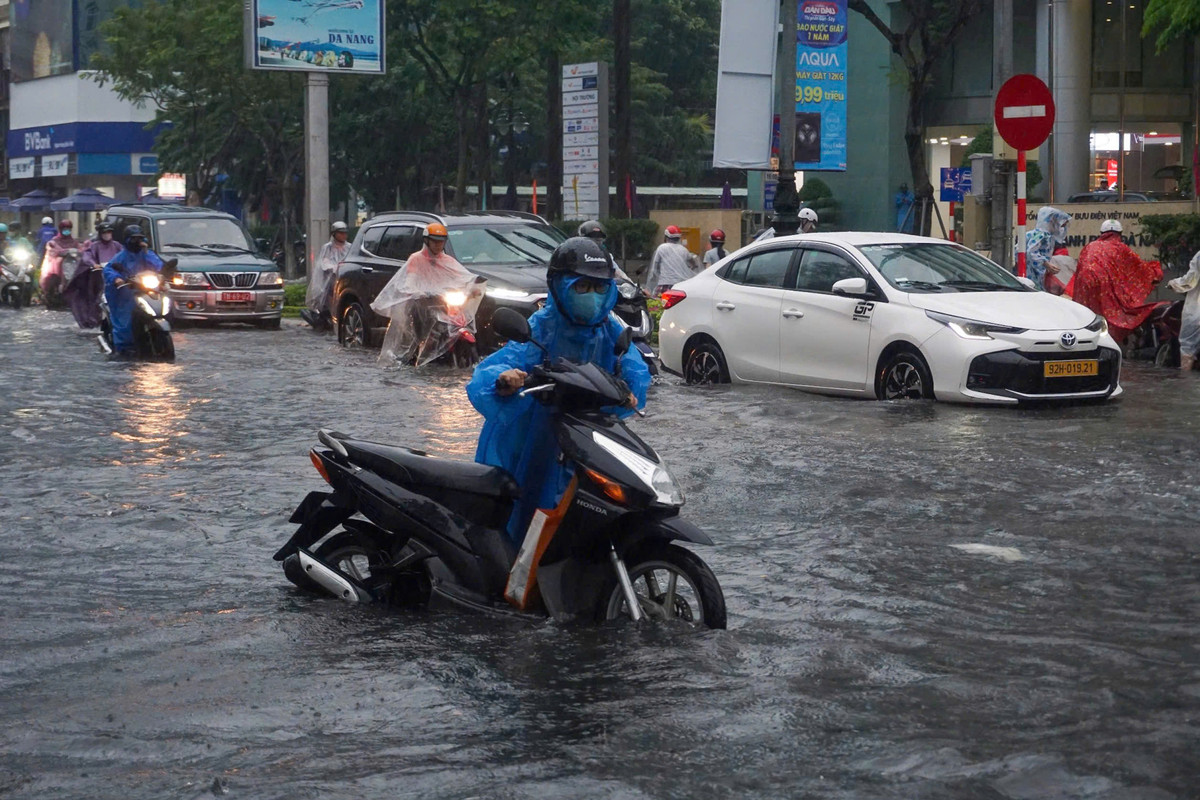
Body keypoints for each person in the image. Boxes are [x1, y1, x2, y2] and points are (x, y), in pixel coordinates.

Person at [466, 237, 651, 545]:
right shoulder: (542, 326)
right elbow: (492, 371)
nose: (591, 297)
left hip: (589, 437)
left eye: (599, 289)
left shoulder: (609, 329)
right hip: (533, 437)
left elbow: (635, 368)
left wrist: (628, 391)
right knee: (523, 513)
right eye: (581, 288)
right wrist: (507, 379)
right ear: (560, 286)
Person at [370, 222, 483, 365]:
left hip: (445, 303)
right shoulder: (416, 259)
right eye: (434, 241)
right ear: (426, 241)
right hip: (423, 303)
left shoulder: (448, 261)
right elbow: (410, 279)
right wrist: (416, 291)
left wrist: (472, 288)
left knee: (466, 321)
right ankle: (413, 353)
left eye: (441, 242)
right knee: (421, 328)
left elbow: (462, 277)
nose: (438, 245)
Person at [1071, 219, 1162, 344]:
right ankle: (1111, 341)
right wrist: (1156, 272)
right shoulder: (1120, 248)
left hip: (1086, 285)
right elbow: (1140, 268)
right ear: (1120, 234)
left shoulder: (1090, 246)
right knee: (1114, 311)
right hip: (1105, 285)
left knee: (1089, 314)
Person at [102, 226, 164, 358]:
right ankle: (122, 348)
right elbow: (108, 269)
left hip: (144, 290)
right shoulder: (121, 256)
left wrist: (146, 251)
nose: (137, 242)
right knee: (124, 320)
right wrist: (117, 278)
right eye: (134, 239)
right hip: (125, 293)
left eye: (139, 239)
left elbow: (158, 266)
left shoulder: (147, 254)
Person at [65, 222, 123, 328]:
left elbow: (124, 256)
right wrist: (94, 264)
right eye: (105, 232)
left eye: (109, 232)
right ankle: (94, 319)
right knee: (96, 298)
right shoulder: (95, 246)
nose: (107, 234)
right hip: (100, 277)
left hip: (116, 277)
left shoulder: (117, 245)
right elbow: (87, 256)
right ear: (100, 234)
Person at [305, 221, 351, 326]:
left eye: (345, 233)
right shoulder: (327, 247)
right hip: (331, 279)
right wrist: (334, 267)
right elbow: (323, 262)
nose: (344, 235)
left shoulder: (350, 247)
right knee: (330, 296)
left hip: (345, 278)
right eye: (341, 233)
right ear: (334, 234)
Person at [1168, 249, 1200, 372]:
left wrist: (1174, 283)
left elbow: (1190, 281)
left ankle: (1185, 379)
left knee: (1187, 348)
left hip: (1196, 312)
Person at [644, 225, 699, 296]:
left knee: (658, 304)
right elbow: (693, 263)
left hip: (665, 284)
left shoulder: (662, 248)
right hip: (680, 286)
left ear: (666, 236)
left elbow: (654, 267)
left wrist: (650, 284)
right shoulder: (683, 250)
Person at [1024, 207, 1070, 289]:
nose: (1063, 229)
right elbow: (1031, 252)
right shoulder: (1041, 235)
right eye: (1062, 225)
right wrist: (1046, 264)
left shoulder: (1048, 236)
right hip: (1030, 273)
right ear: (1053, 222)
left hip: (1037, 273)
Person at [40, 219, 80, 298]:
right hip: (57, 266)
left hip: (72, 264)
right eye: (65, 229)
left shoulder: (74, 241)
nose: (67, 231)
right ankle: (54, 289)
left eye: (68, 229)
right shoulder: (55, 240)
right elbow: (51, 248)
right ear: (61, 230)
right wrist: (58, 251)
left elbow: (80, 249)